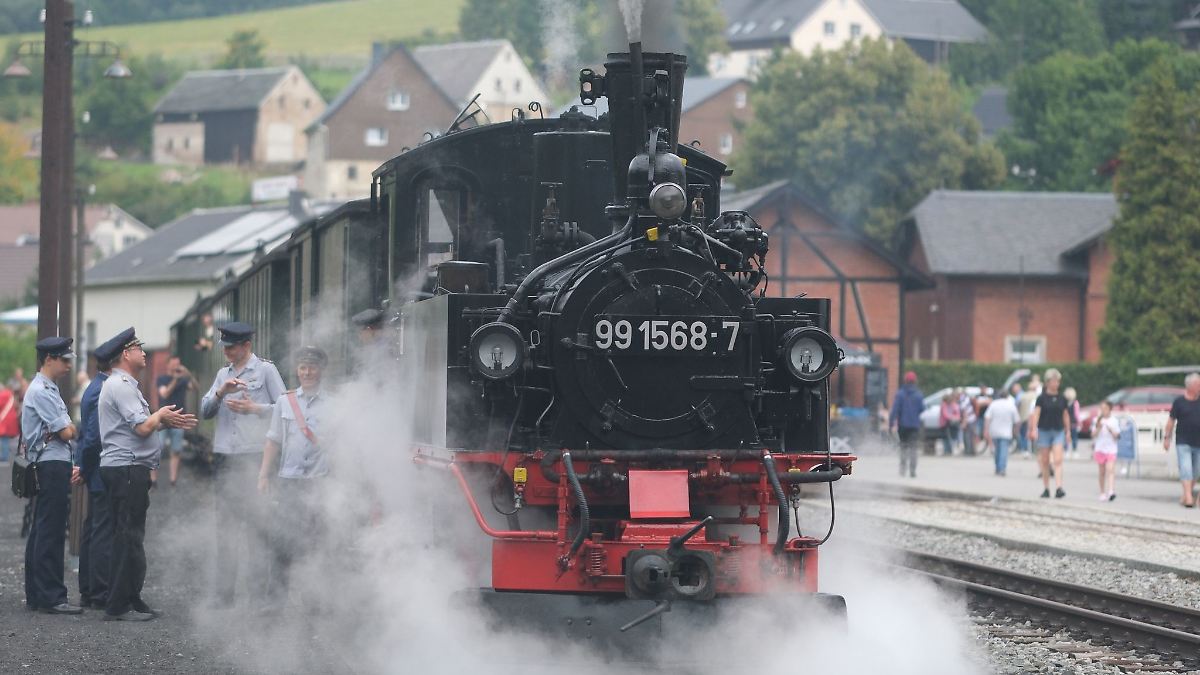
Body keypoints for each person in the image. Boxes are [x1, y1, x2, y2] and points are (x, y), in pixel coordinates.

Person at [99, 328, 197, 621]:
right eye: (140, 348)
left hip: (129, 469)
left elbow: (143, 425)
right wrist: (160, 417)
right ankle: (118, 605)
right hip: (126, 469)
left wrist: (164, 421)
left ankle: (131, 597)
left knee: (131, 535)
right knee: (126, 536)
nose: (145, 353)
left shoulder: (127, 384)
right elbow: (141, 428)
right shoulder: (121, 385)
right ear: (126, 354)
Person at [200, 322, 286, 608]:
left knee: (260, 526)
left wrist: (255, 409)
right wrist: (220, 392)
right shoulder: (222, 375)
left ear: (246, 346)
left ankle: (260, 595)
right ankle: (224, 594)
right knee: (225, 527)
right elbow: (204, 411)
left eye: (232, 346)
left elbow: (285, 410)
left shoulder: (266, 371)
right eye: (224, 346)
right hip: (226, 456)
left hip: (254, 457)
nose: (226, 351)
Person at [259, 346, 329, 610]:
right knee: (281, 540)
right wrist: (263, 475)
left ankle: (315, 599)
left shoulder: (333, 404)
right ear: (297, 370)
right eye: (302, 367)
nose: (307, 372)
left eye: (312, 367)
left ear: (321, 370)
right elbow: (273, 440)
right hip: (289, 480)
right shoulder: (284, 402)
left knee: (317, 541)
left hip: (319, 481)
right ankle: (275, 599)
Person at [21, 338, 81, 614]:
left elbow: (66, 429)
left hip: (50, 462)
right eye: (64, 359)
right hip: (50, 463)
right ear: (49, 359)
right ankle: (52, 596)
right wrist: (67, 428)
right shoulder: (43, 391)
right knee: (51, 530)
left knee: (42, 528)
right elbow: (67, 431)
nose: (68, 364)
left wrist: (66, 428)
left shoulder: (47, 388)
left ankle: (38, 594)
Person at [72, 331, 125, 610]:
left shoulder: (94, 386)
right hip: (100, 467)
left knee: (94, 528)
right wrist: (85, 466)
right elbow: (93, 437)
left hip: (94, 466)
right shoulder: (103, 389)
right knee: (101, 529)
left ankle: (90, 589)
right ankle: (100, 591)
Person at [1029, 368, 1070, 499]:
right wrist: (1033, 429)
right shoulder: (1041, 398)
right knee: (1045, 461)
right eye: (1053, 381)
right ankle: (1046, 488)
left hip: (1058, 430)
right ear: (1047, 383)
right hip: (1044, 430)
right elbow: (1036, 414)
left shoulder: (1062, 398)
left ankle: (1059, 487)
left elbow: (1065, 415)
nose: (1055, 384)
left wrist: (1068, 431)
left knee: (1058, 460)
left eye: (1057, 381)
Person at [156, 355, 195, 486]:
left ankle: (173, 480)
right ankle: (153, 480)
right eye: (173, 364)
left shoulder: (183, 380)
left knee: (176, 450)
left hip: (179, 419)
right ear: (168, 365)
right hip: (163, 420)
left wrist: (187, 373)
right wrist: (175, 380)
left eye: (178, 364)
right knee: (157, 448)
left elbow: (195, 387)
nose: (176, 367)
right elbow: (165, 393)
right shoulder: (162, 379)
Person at [1163, 372, 1200, 508]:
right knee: (1186, 469)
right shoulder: (1179, 402)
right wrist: (1167, 438)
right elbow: (1171, 421)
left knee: (1196, 472)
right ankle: (1189, 498)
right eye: (1198, 384)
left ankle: (1185, 494)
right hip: (1183, 441)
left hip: (1198, 442)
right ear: (1190, 386)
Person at [889, 371, 924, 478]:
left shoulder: (900, 394)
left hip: (903, 426)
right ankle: (912, 470)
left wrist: (891, 424)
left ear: (905, 381)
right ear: (915, 381)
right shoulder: (918, 395)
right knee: (913, 448)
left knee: (903, 447)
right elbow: (922, 408)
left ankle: (902, 469)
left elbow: (895, 410)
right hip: (914, 426)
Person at [983, 389, 1020, 477]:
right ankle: (1002, 468)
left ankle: (997, 467)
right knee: (1004, 450)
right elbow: (1017, 420)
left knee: (997, 450)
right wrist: (1016, 430)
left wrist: (986, 430)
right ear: (1007, 396)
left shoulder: (994, 404)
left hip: (994, 431)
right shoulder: (1011, 405)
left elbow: (987, 417)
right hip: (1006, 431)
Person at [1092, 400, 1120, 501]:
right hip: (1100, 448)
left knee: (1110, 469)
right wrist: (1098, 428)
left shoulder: (1114, 421)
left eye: (1106, 409)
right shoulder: (1097, 420)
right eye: (1102, 409)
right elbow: (1093, 435)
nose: (1104, 411)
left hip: (1111, 449)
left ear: (1110, 409)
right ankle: (1102, 492)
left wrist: (1111, 430)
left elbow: (1117, 435)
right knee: (1102, 472)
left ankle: (1111, 491)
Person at [0, 382, 17, 464]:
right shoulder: (9, 394)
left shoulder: (4, 395)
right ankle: (4, 455)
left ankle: (4, 456)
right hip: (9, 418)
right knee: (5, 438)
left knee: (4, 438)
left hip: (5, 419)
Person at [958, 388, 977, 456]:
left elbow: (965, 412)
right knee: (972, 436)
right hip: (972, 419)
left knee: (967, 436)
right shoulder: (967, 399)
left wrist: (964, 423)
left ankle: (968, 451)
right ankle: (972, 451)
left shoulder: (963, 400)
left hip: (969, 420)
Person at [1064, 387, 1081, 459]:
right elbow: (1077, 414)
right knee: (1074, 438)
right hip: (1073, 423)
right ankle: (1074, 452)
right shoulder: (1075, 403)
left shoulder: (1064, 403)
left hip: (1065, 423)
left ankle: (1066, 451)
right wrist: (1079, 423)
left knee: (1066, 437)